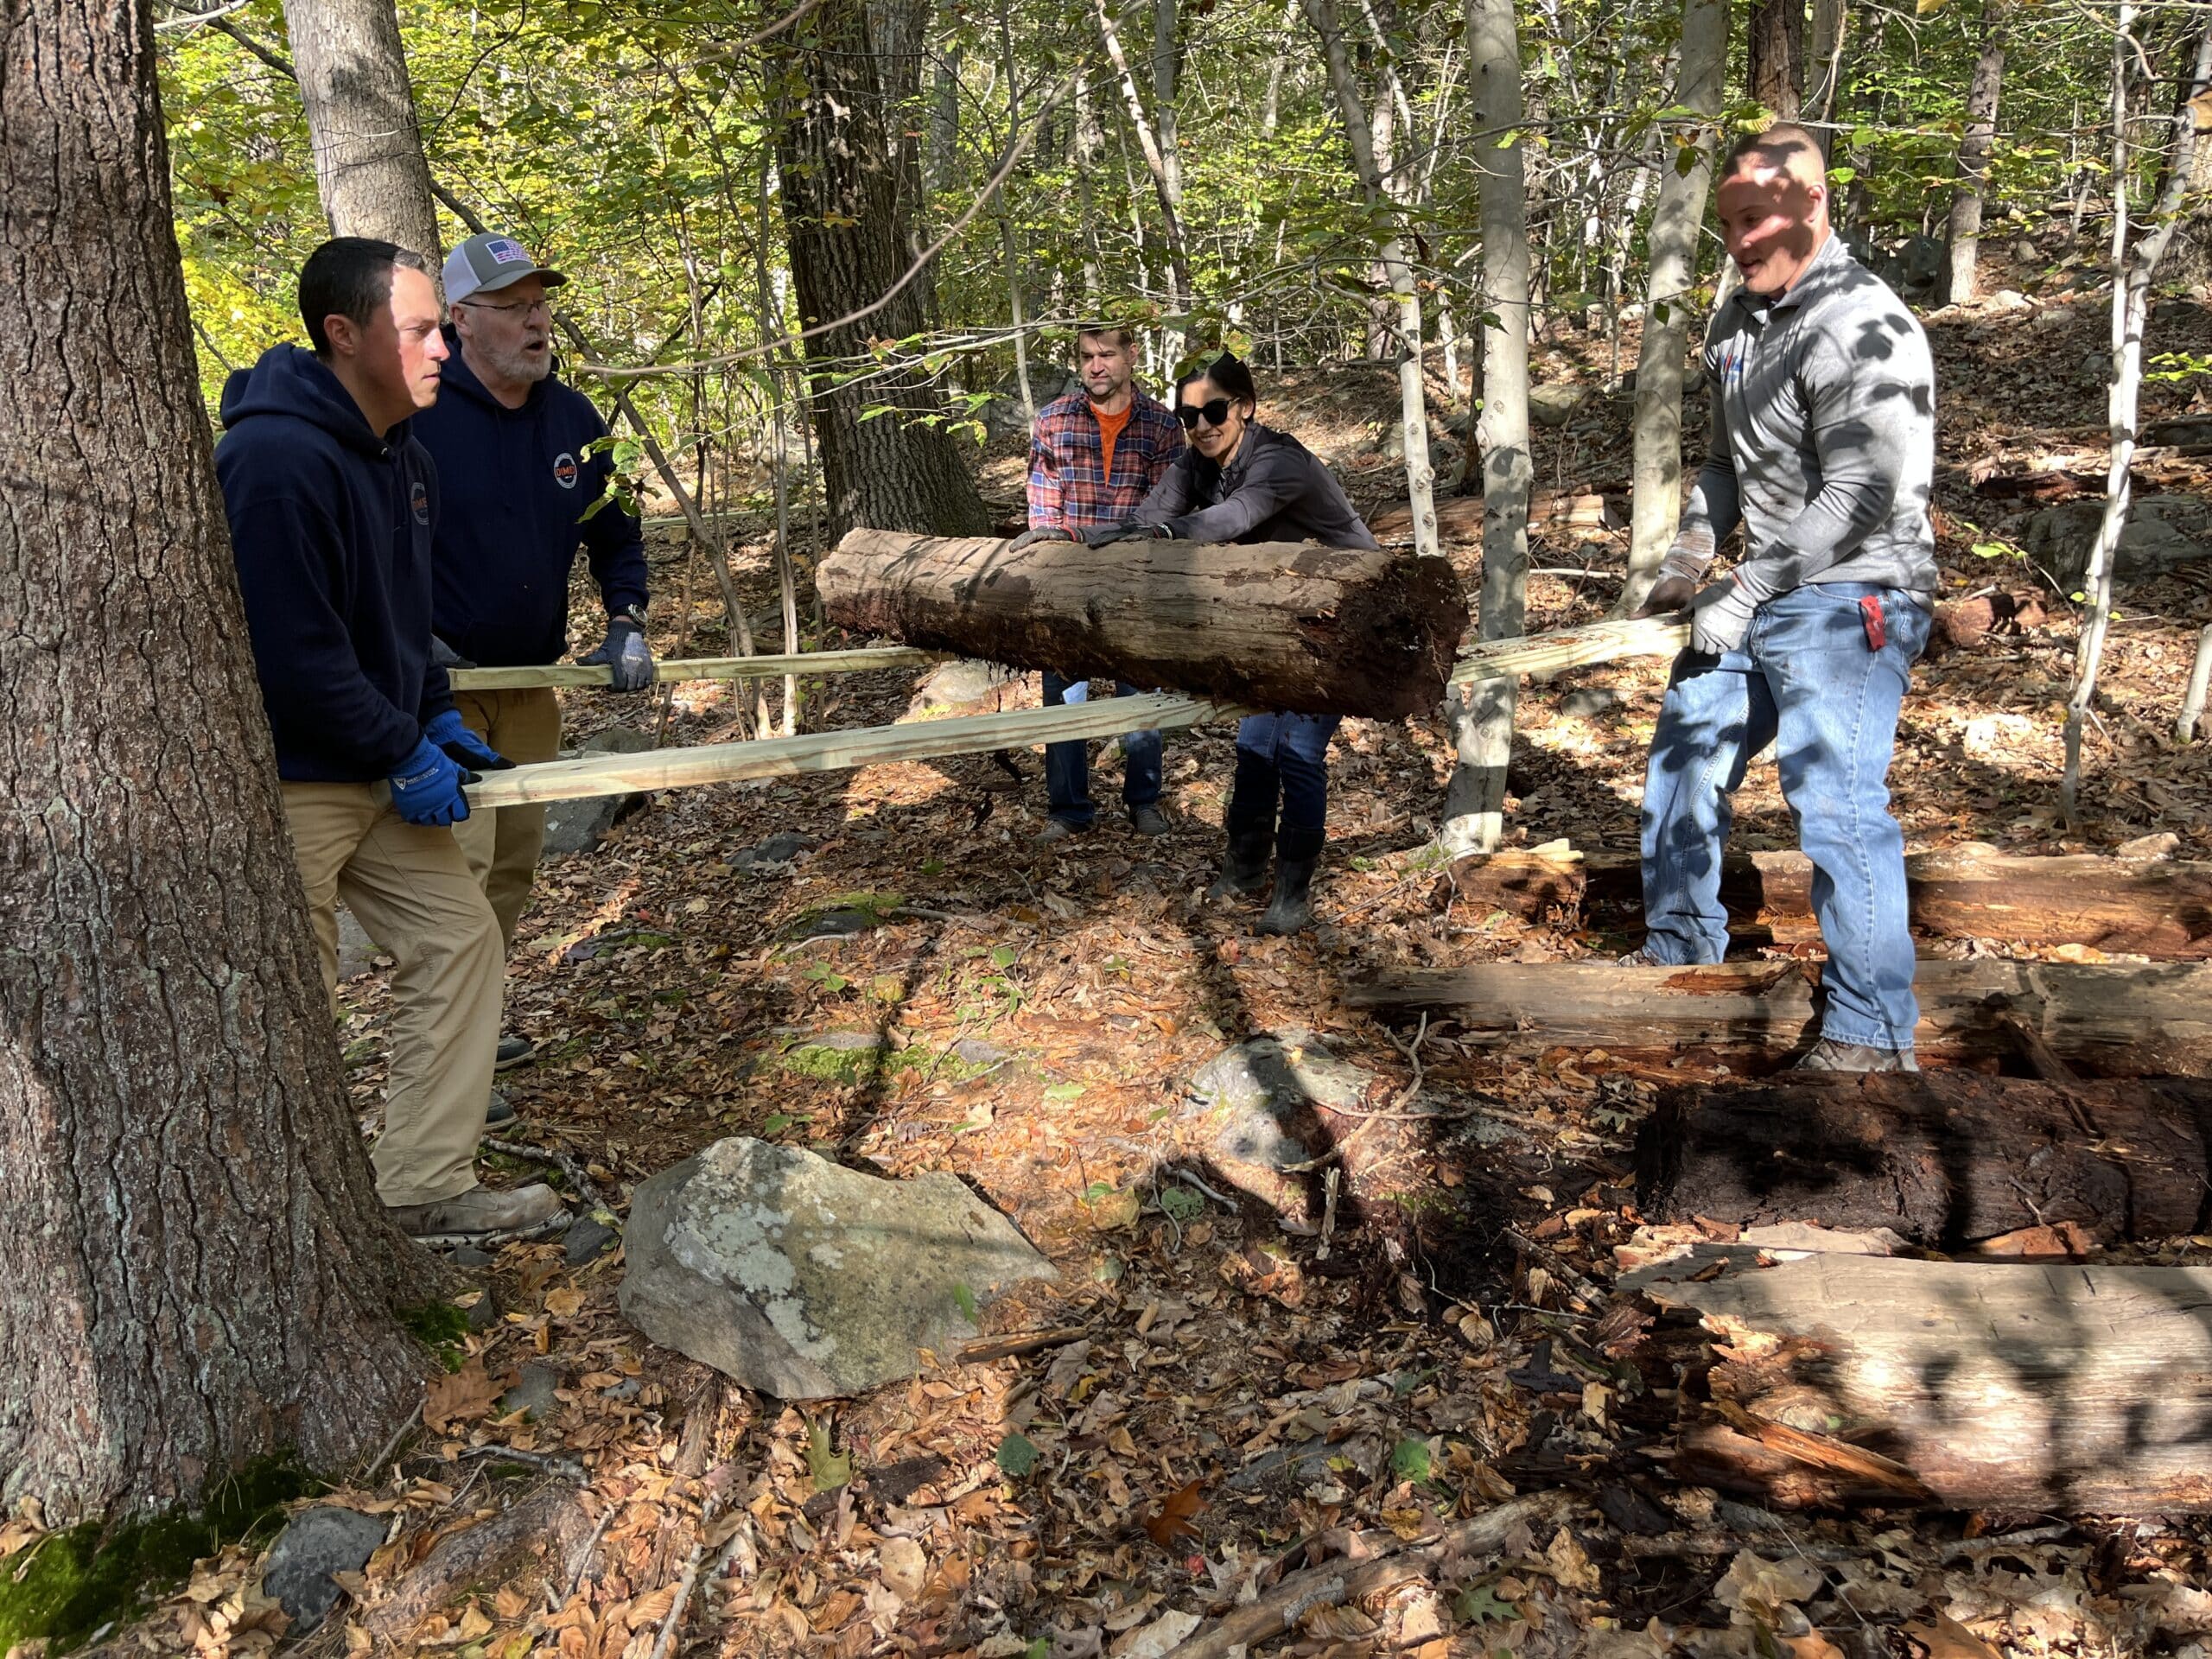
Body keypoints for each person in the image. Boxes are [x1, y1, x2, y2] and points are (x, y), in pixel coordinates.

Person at [214, 236, 566, 1243]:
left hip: (377, 756)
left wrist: (436, 710)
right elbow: (293, 652)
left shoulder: (401, 455)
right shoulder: (271, 461)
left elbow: (403, 624)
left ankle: (419, 1185)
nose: (440, 352)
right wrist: (402, 745)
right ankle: (267, 1224)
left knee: (459, 943)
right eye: (418, 330)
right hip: (296, 779)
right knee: (293, 994)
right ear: (343, 333)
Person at [1627, 124, 1938, 1072]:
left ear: (1811, 205)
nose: (1738, 240)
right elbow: (1726, 464)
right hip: (1759, 590)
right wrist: (1688, 558)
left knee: (1836, 805)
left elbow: (1859, 496)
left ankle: (1873, 1033)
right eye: (1726, 223)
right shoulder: (1739, 319)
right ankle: (1678, 961)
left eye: (1754, 218)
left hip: (1852, 598)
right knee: (1683, 756)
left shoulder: (1860, 325)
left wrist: (1747, 587)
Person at [411, 232, 652, 1071]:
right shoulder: (417, 413)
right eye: (513, 309)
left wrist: (626, 620)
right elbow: (365, 542)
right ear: (462, 319)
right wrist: (412, 643)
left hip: (531, 688)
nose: (536, 322)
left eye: (540, 305)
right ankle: (443, 1066)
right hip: (441, 694)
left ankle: (473, 1037)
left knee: (511, 872)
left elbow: (620, 531)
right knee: (457, 882)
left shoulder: (576, 418)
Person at [1085, 351, 1376, 934]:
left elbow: (1235, 517)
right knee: (1253, 748)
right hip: (1276, 619)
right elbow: (1152, 514)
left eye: (1213, 412)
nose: (1200, 427)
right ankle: (1243, 870)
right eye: (1186, 417)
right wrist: (1086, 540)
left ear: (1243, 407)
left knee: (1296, 753)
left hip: (1348, 618)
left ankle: (1291, 894)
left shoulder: (1280, 462)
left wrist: (1168, 532)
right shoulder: (1198, 461)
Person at [1010, 326, 1185, 843]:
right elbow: (1043, 512)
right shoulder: (1054, 421)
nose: (1096, 365)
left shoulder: (1161, 425)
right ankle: (1068, 810)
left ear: (1131, 355)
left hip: (1138, 582)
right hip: (1067, 583)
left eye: (1107, 353)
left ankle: (1144, 801)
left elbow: (1165, 512)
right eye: (1087, 356)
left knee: (1142, 698)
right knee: (1063, 697)